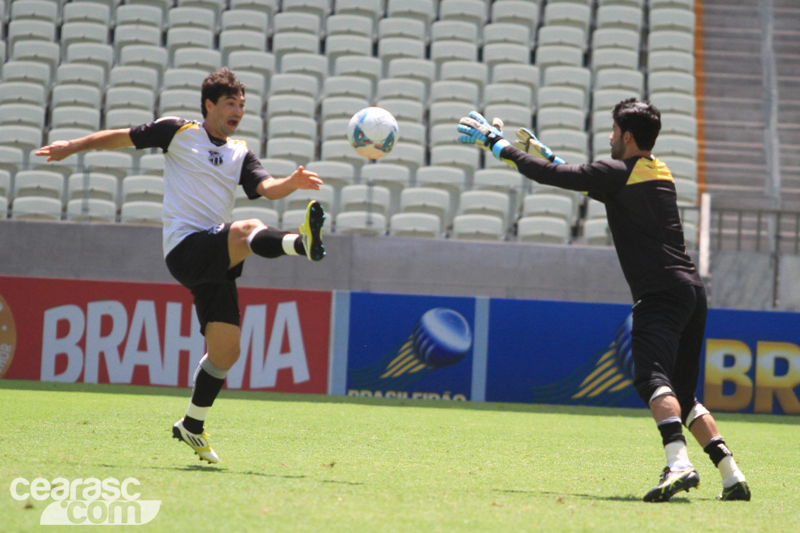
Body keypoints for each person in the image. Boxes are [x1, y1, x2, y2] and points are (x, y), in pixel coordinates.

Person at [456, 99, 750, 502]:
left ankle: (679, 463)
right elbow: (613, 192)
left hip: (659, 293)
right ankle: (732, 475)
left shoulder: (617, 172)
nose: (610, 137)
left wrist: (498, 145)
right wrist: (558, 160)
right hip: (691, 292)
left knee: (651, 380)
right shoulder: (658, 170)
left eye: (613, 131)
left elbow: (553, 177)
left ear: (627, 136)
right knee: (684, 395)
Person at [36, 68, 327, 464]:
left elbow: (266, 188)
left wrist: (291, 182)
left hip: (216, 257)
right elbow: (121, 138)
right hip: (186, 248)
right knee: (248, 229)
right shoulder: (178, 131)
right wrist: (72, 146)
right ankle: (300, 244)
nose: (238, 111)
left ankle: (191, 424)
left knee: (226, 351)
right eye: (230, 104)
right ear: (210, 104)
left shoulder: (240, 151)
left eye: (242, 105)